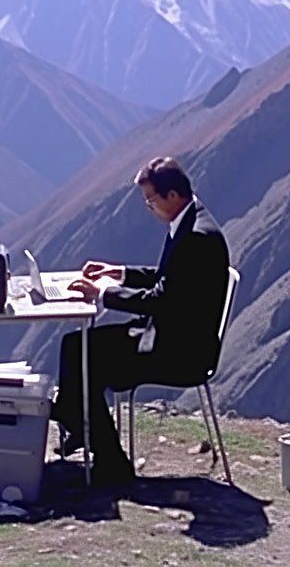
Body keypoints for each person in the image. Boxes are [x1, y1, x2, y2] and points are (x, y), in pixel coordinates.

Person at [50, 156, 230, 486]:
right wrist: (117, 273)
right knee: (75, 345)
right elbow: (167, 279)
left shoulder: (196, 237)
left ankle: (108, 459)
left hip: (180, 351)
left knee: (86, 359)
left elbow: (161, 300)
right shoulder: (190, 222)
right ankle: (80, 426)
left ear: (172, 195)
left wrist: (103, 294)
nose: (149, 208)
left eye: (151, 200)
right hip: (169, 334)